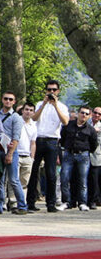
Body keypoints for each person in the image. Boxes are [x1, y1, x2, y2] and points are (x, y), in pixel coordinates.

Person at [28, 80, 69, 212]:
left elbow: (65, 121)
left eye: (54, 90)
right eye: (49, 90)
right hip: (39, 139)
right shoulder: (40, 104)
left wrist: (55, 105)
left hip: (52, 140)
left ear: (58, 91)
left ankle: (51, 203)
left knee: (51, 173)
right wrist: (45, 104)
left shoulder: (62, 106)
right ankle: (30, 202)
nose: (51, 92)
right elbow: (33, 118)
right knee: (33, 172)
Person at [58, 106, 99, 211]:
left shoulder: (90, 129)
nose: (83, 115)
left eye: (86, 114)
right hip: (68, 154)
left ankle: (82, 203)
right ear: (78, 113)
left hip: (83, 155)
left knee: (83, 180)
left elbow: (94, 144)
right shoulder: (68, 125)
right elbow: (62, 138)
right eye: (82, 113)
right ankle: (66, 202)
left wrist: (86, 151)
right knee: (65, 178)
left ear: (89, 116)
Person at [0, 91, 26, 214]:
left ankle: (22, 206)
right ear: (2, 99)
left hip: (11, 150)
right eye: (6, 99)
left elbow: (16, 137)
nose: (8, 101)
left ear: (14, 102)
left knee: (13, 180)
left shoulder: (16, 117)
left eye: (11, 99)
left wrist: (10, 153)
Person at [15, 102, 38, 211]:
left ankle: (22, 203)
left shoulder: (34, 125)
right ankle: (13, 202)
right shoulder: (17, 120)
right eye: (26, 109)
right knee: (14, 180)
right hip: (16, 154)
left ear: (33, 112)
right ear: (22, 110)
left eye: (31, 110)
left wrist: (32, 157)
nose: (28, 112)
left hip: (27, 156)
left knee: (24, 181)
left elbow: (33, 142)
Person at [89, 107, 101, 209]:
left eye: (99, 114)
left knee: (95, 180)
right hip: (84, 155)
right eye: (95, 113)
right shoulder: (85, 124)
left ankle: (94, 200)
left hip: (97, 157)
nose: (97, 115)